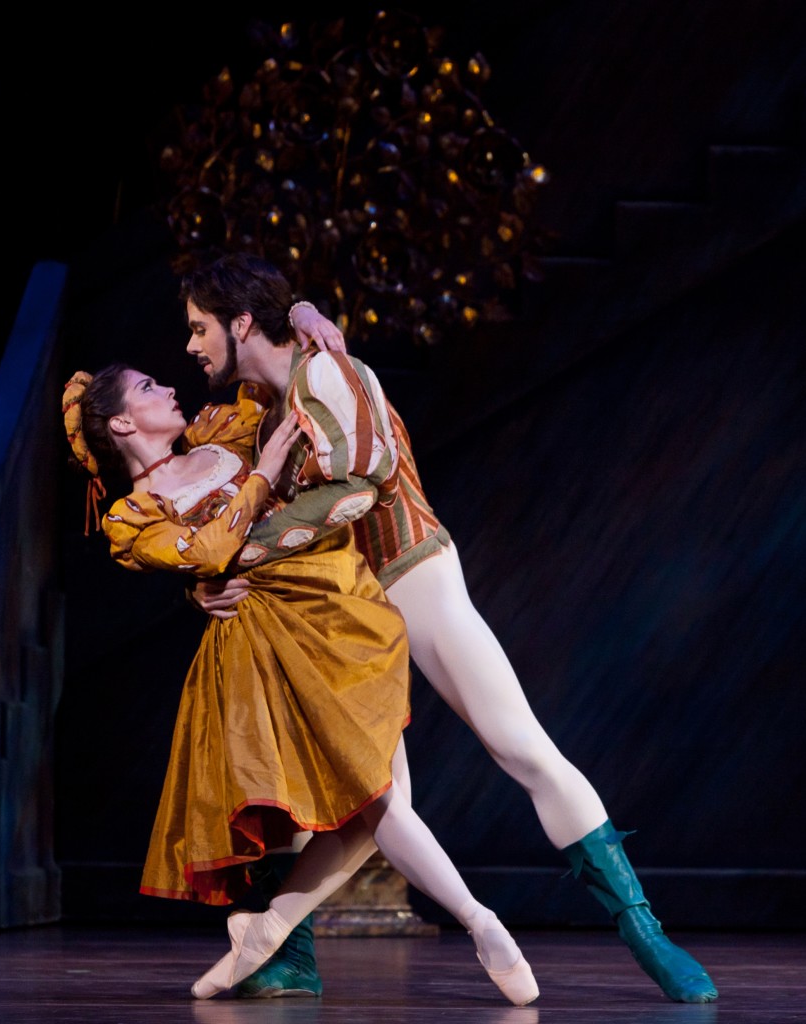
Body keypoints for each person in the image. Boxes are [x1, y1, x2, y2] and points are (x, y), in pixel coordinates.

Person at [182, 252, 719, 1005]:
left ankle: (641, 928)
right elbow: (206, 509)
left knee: (518, 744)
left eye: (201, 327)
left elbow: (358, 483)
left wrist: (251, 546)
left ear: (241, 323)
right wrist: (208, 578)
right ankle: (282, 944)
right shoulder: (255, 408)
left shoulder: (330, 373)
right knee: (363, 799)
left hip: (409, 573)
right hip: (338, 613)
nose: (190, 345)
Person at [61, 363, 540, 1006]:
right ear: (121, 422)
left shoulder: (220, 432)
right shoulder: (132, 515)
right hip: (265, 649)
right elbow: (205, 553)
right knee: (376, 801)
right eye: (148, 389)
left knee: (376, 804)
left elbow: (288, 385)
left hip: (339, 609)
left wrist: (307, 322)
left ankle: (270, 930)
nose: (170, 387)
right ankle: (481, 922)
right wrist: (246, 504)